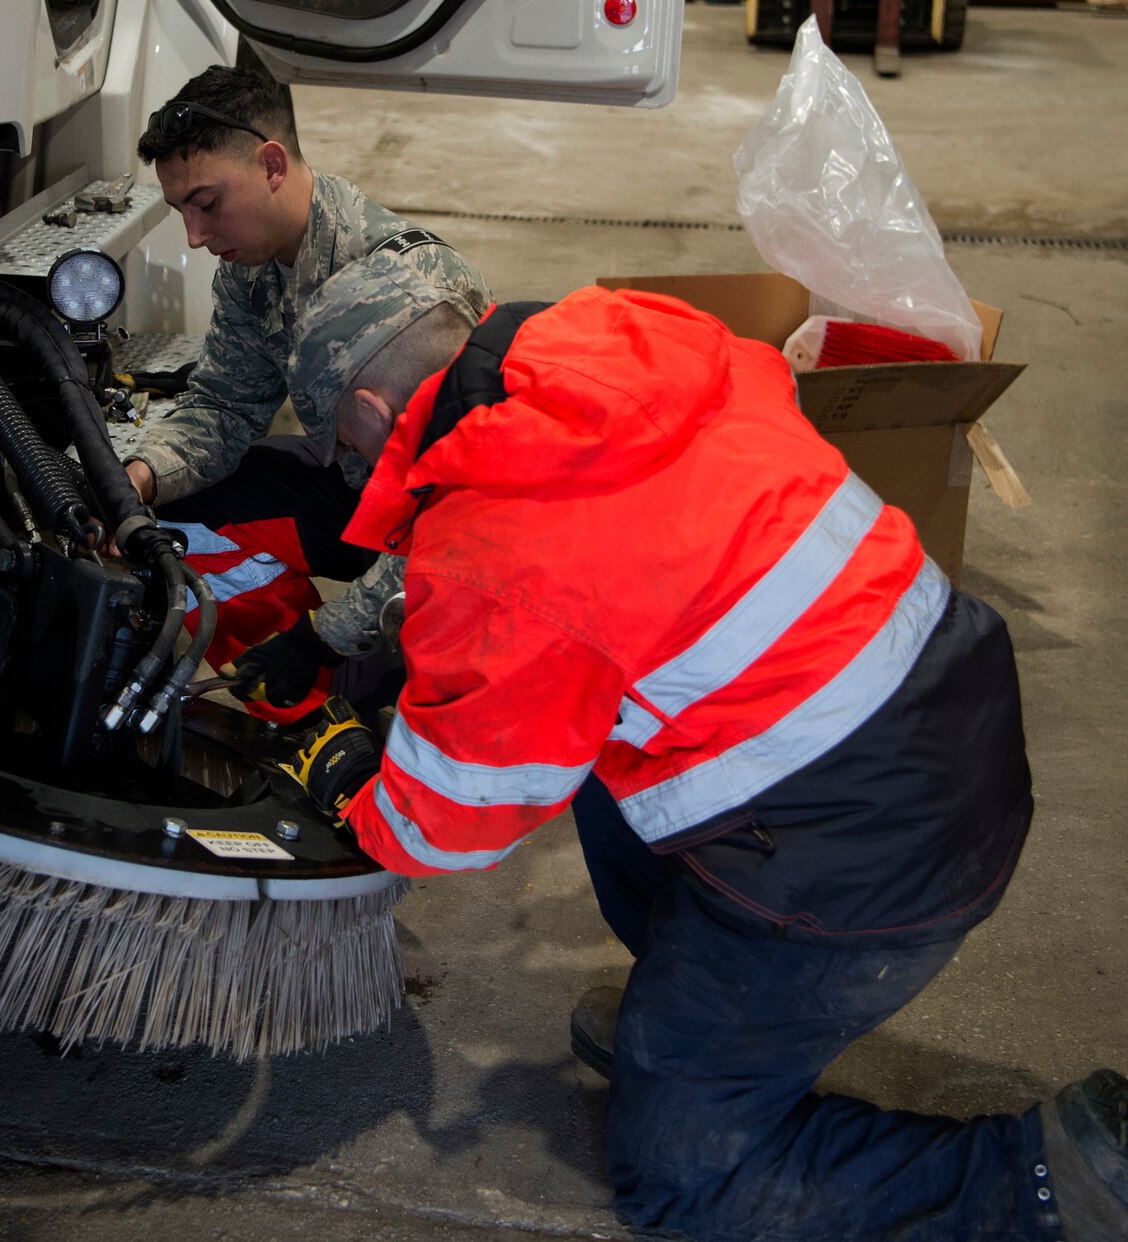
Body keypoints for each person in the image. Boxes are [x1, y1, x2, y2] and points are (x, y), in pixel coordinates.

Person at [280, 251, 1128, 1242]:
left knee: (680, 1185)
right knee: (591, 740)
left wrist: (358, 780)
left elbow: (451, 826)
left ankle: (1050, 1181)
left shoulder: (493, 548)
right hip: (954, 713)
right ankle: (695, 1023)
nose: (353, 468)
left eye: (344, 443)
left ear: (377, 415)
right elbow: (599, 600)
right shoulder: (628, 335)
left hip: (865, 860)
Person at [123, 66, 490, 722]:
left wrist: (323, 638)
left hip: (454, 538)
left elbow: (467, 530)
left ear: (271, 165)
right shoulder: (254, 264)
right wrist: (139, 477)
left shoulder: (413, 293)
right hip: (361, 498)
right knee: (172, 516)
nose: (195, 237)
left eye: (207, 204)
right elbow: (228, 404)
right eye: (182, 212)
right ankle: (302, 714)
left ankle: (346, 701)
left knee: (436, 666)